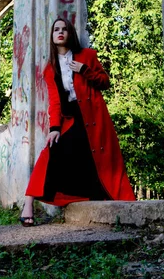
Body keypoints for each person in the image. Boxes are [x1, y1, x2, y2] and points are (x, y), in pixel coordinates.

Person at [20, 17, 136, 226]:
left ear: (70, 33)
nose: (60, 32)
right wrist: (54, 128)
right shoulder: (50, 68)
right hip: (70, 118)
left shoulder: (87, 56)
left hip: (93, 115)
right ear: (52, 36)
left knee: (95, 159)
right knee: (51, 151)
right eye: (56, 29)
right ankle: (28, 203)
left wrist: (84, 70)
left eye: (65, 29)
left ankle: (101, 202)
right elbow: (55, 102)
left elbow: (105, 82)